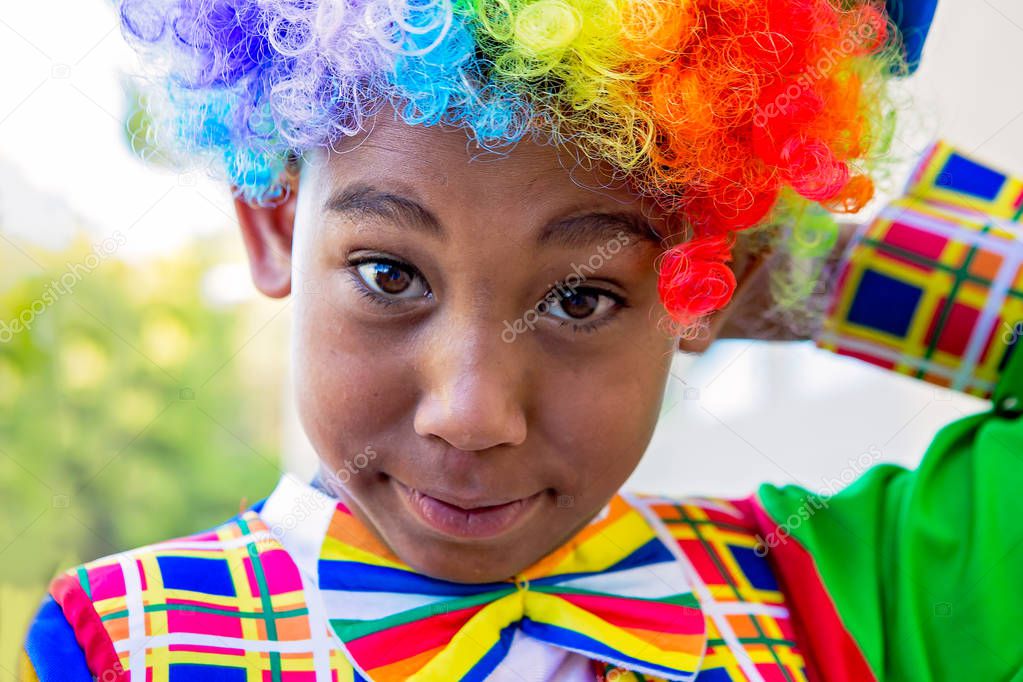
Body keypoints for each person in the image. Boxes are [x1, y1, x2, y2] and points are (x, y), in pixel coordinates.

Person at [21, 0, 1022, 679]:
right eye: (391, 274)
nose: (472, 412)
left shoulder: (842, 600)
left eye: (582, 300)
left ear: (707, 283)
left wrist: (795, 272)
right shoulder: (127, 643)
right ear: (276, 224)